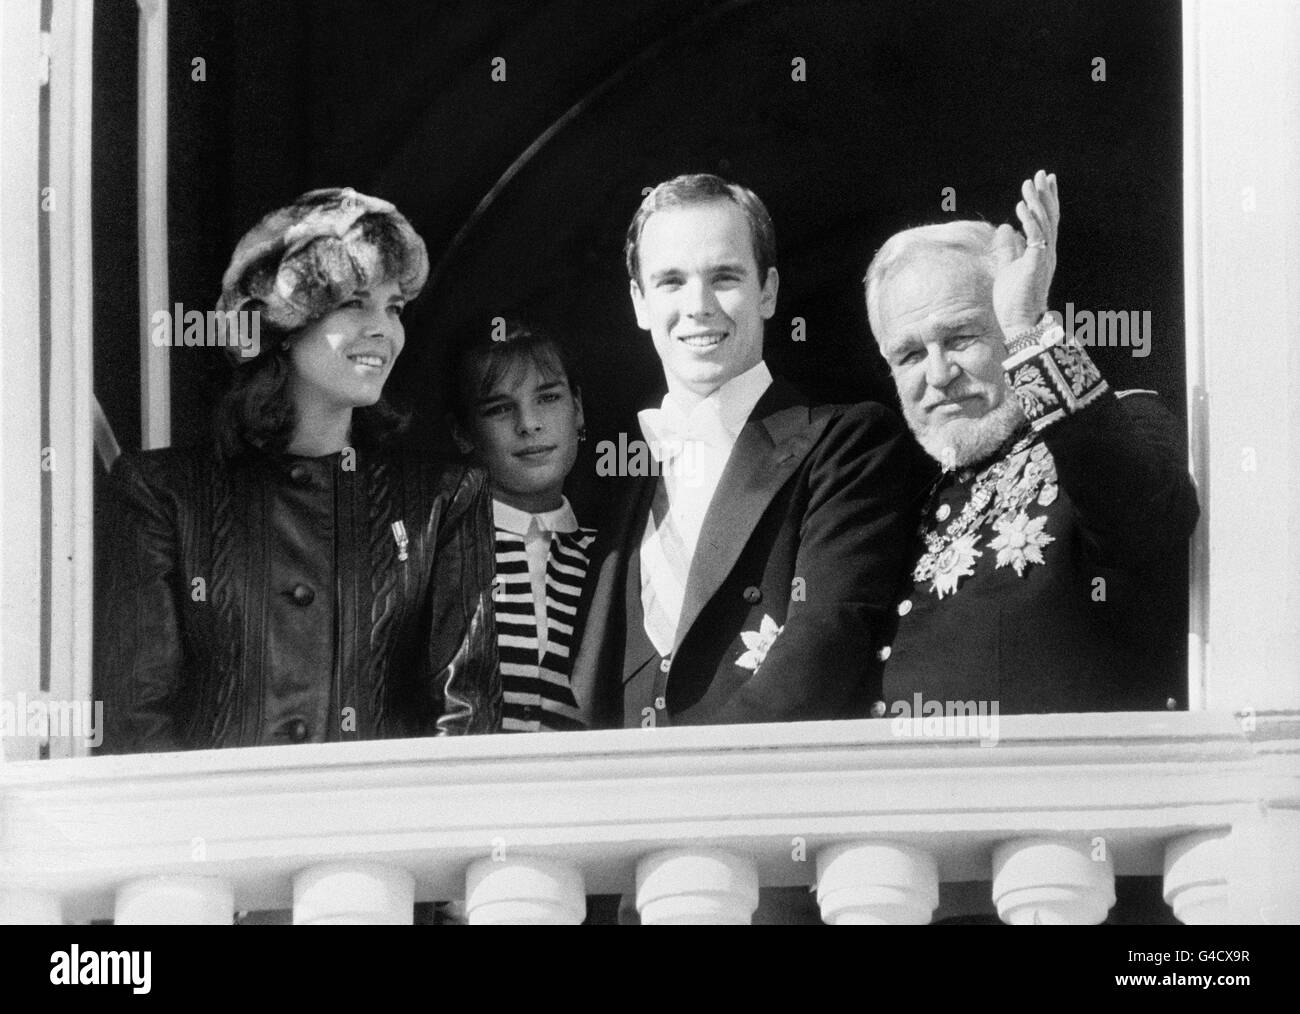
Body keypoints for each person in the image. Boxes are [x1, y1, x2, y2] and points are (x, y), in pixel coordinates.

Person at [95, 187, 500, 752]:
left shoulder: (443, 499)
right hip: (217, 832)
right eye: (355, 302)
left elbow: (466, 726)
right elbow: (136, 730)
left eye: (394, 307)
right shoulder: (162, 494)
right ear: (284, 326)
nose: (384, 329)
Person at [570, 173, 920, 730]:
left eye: (724, 277)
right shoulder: (620, 482)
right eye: (671, 282)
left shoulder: (849, 444)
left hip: (764, 799)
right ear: (639, 302)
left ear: (768, 290)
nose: (699, 305)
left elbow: (823, 651)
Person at [863, 171, 1199, 714]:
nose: (939, 373)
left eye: (962, 337)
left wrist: (1027, 328)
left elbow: (1147, 518)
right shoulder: (917, 497)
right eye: (909, 355)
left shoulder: (1122, 421)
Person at [450, 323, 597, 733]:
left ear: (578, 409)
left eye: (548, 397)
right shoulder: (441, 557)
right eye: (499, 408)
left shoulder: (616, 558)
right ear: (463, 432)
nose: (529, 423)